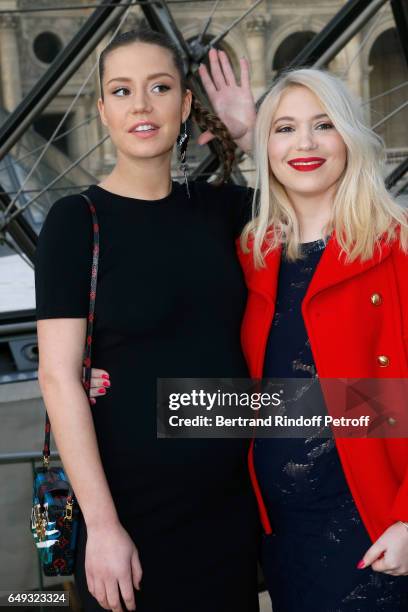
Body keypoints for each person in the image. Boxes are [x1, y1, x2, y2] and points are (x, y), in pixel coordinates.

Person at [92, 54, 408, 610]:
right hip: (281, 540)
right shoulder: (252, 255)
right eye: (285, 129)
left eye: (323, 125)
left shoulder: (397, 247)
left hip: (379, 531)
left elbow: (369, 405)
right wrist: (117, 381)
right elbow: (256, 393)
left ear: (351, 137)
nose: (304, 144)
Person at [34, 29, 261, 612]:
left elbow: (330, 214)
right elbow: (58, 377)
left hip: (228, 509)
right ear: (103, 109)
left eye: (160, 87)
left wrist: (250, 133)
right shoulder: (75, 220)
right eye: (122, 90)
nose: (141, 104)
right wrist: (103, 528)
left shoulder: (223, 209)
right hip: (129, 517)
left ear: (185, 105)